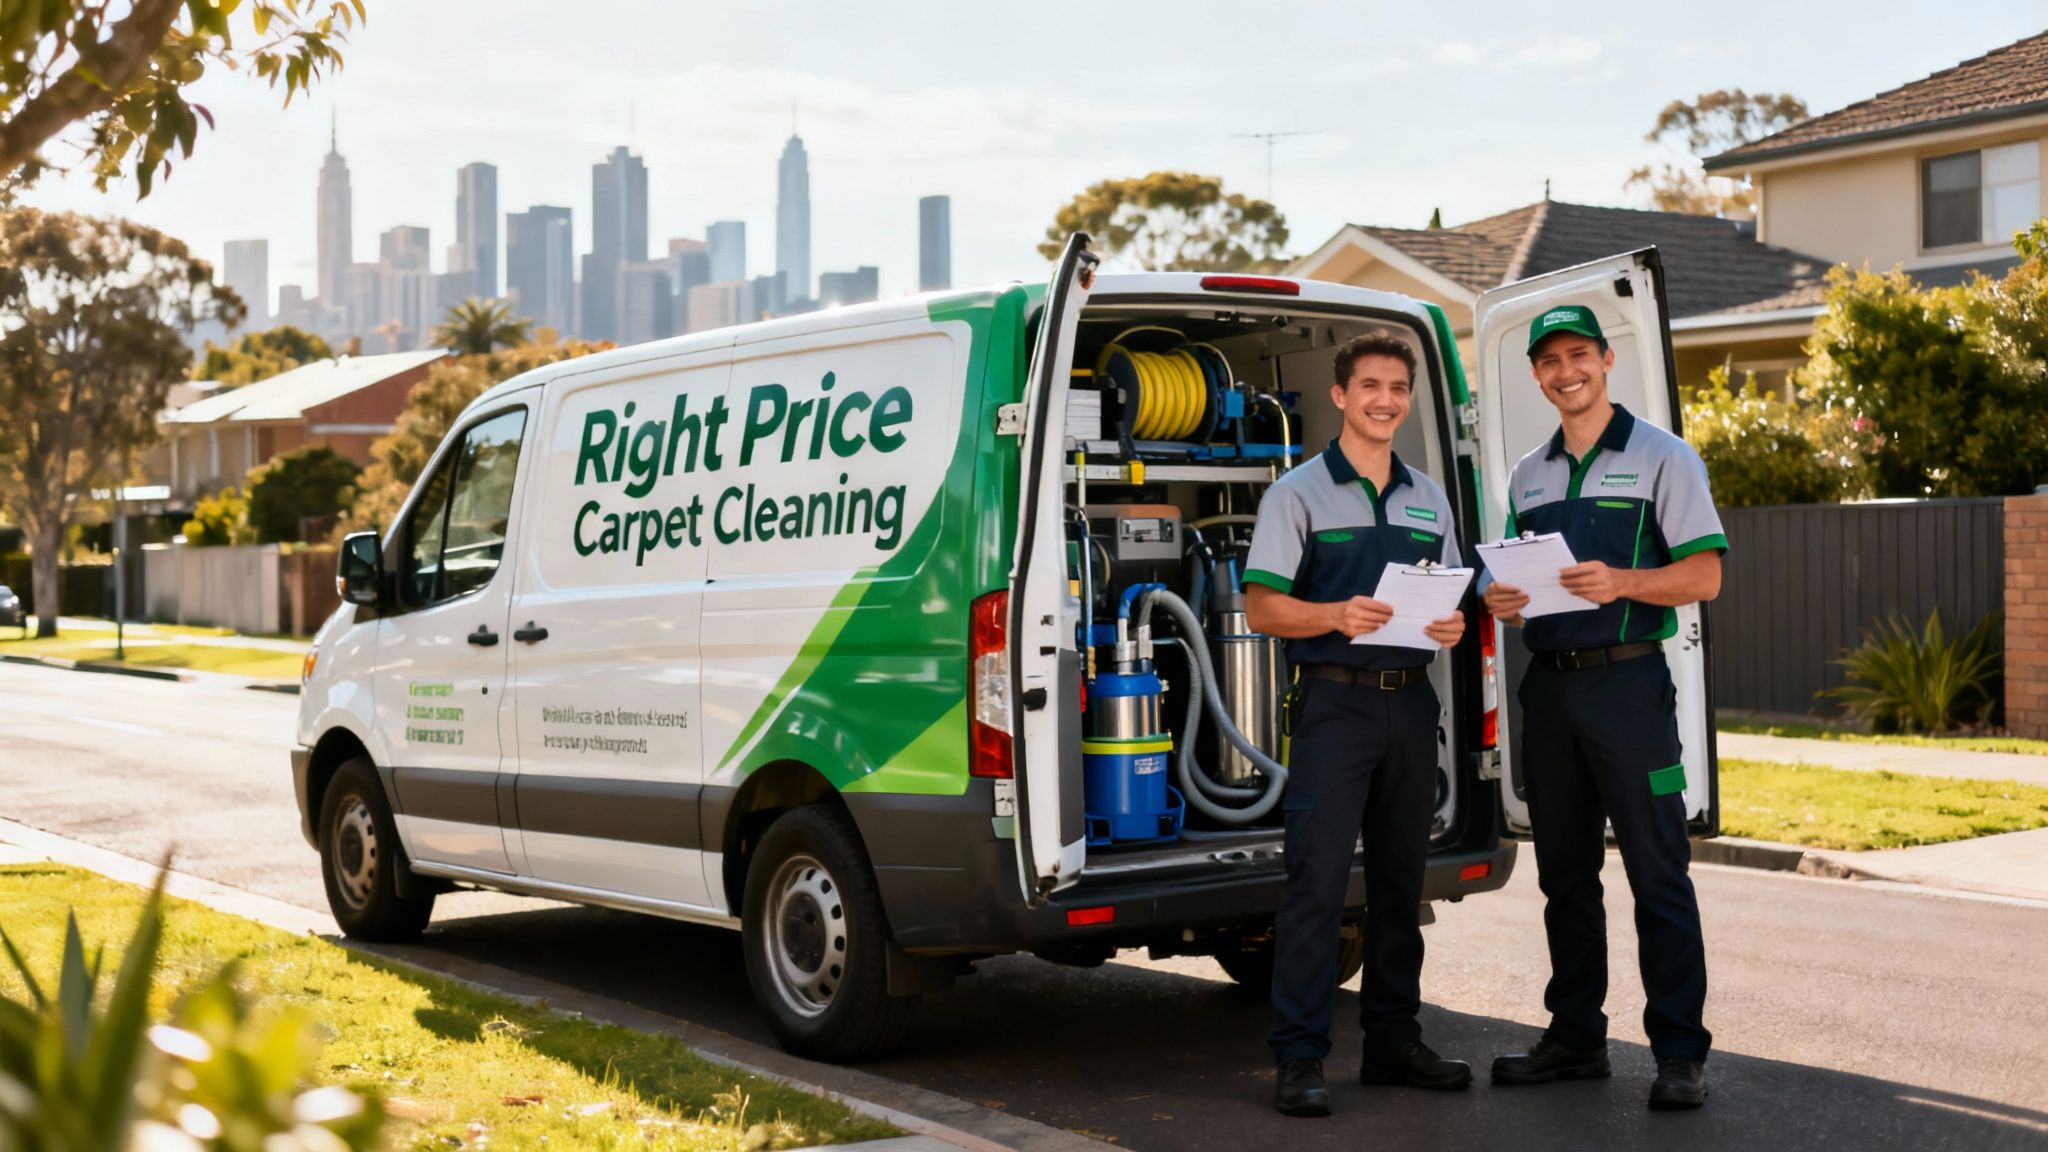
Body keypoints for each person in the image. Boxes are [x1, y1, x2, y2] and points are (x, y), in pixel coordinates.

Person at [1481, 305, 1727, 1111]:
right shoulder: (1528, 473)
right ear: (1537, 376)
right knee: (1565, 875)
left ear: (1606, 359)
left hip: (1628, 688)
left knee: (1659, 870)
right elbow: (1515, 583)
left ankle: (1680, 1052)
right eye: (1549, 361)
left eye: (1578, 354)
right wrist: (1503, 599)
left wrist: (1621, 581)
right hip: (1549, 688)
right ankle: (1576, 1036)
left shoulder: (1665, 458)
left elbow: (1702, 578)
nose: (1566, 372)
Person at [1243, 331, 1471, 1118]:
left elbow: (1448, 594)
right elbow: (1263, 606)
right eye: (1370, 385)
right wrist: (1335, 613)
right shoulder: (1297, 494)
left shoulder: (1428, 495)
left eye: (1398, 388)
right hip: (1334, 704)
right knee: (1316, 882)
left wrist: (1452, 626)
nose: (1385, 399)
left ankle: (1393, 1043)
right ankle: (1300, 1057)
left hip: (1412, 702)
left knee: (1402, 885)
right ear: (1340, 396)